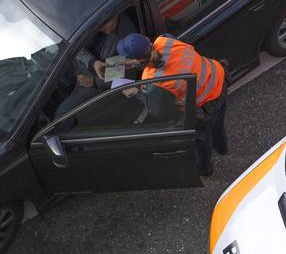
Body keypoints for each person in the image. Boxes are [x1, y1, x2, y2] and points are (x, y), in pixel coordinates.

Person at [116, 33, 229, 177]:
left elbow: (157, 110)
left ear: (137, 59)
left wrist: (136, 93)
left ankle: (204, 170)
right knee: (218, 125)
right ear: (147, 40)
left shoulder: (154, 80)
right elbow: (167, 60)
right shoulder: (165, 40)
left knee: (201, 141)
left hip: (206, 104)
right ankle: (222, 148)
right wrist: (135, 64)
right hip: (219, 78)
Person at [54, 13, 138, 118]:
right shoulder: (90, 21)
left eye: (111, 26)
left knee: (63, 114)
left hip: (100, 85)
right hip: (81, 69)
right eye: (101, 28)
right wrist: (92, 62)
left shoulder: (126, 39)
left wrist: (93, 82)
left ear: (115, 13)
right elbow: (74, 45)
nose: (107, 31)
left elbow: (124, 75)